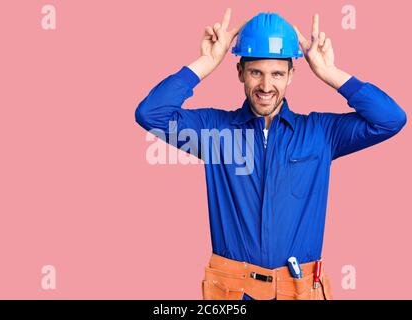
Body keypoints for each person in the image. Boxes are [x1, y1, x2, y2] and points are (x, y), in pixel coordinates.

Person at [135, 9, 407, 300]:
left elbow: (390, 119)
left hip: (301, 292)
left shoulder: (320, 133)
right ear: (240, 73)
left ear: (291, 75)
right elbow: (151, 114)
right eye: (256, 72)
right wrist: (206, 63)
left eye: (277, 73)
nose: (266, 86)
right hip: (233, 295)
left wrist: (330, 73)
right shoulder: (214, 133)